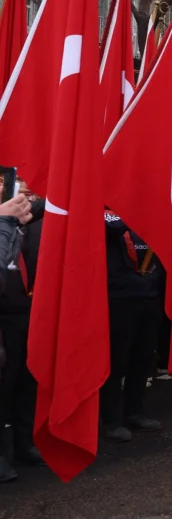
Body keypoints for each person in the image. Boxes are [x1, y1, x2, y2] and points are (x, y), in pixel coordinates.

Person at [101, 209, 167, 442]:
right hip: (120, 300)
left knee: (143, 359)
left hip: (149, 297)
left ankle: (135, 412)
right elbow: (114, 228)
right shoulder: (107, 214)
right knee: (117, 362)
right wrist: (138, 207)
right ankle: (110, 420)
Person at [0, 191, 43, 483]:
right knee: (3, 388)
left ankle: (25, 443)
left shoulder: (27, 222)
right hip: (4, 319)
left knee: (28, 382)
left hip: (30, 315)